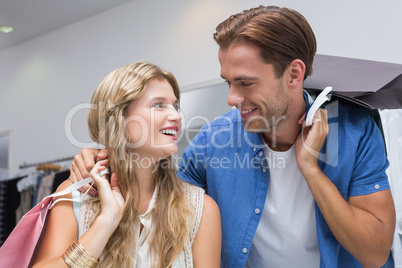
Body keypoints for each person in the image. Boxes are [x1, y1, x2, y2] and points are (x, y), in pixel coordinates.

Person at [70, 6, 396, 268]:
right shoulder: (214, 141)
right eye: (228, 82)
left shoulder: (356, 131)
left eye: (246, 83)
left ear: (294, 74)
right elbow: (158, 193)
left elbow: (375, 254)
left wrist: (310, 169)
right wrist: (107, 155)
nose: (232, 98)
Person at [33, 62, 221, 267]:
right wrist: (107, 221)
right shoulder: (77, 197)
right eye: (158, 105)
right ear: (119, 118)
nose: (176, 116)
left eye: (175, 106)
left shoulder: (200, 209)